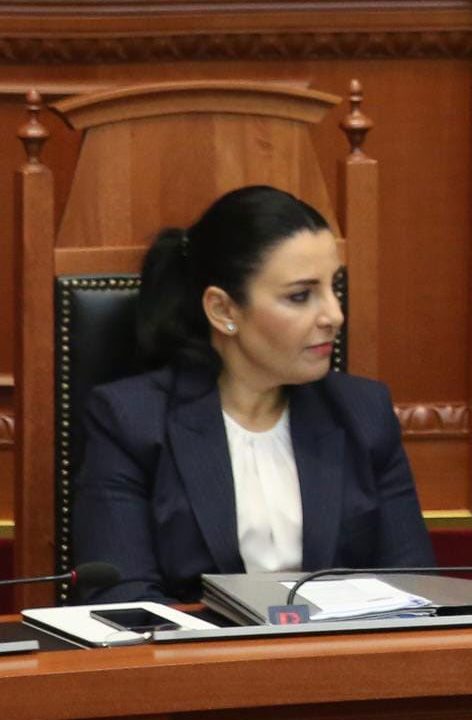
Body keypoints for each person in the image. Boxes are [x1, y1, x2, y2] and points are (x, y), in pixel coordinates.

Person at [73, 185, 434, 603]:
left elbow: (413, 588)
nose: (334, 315)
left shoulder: (364, 413)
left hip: (342, 645)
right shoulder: (130, 421)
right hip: (190, 645)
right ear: (223, 310)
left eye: (333, 287)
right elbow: (123, 601)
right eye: (301, 296)